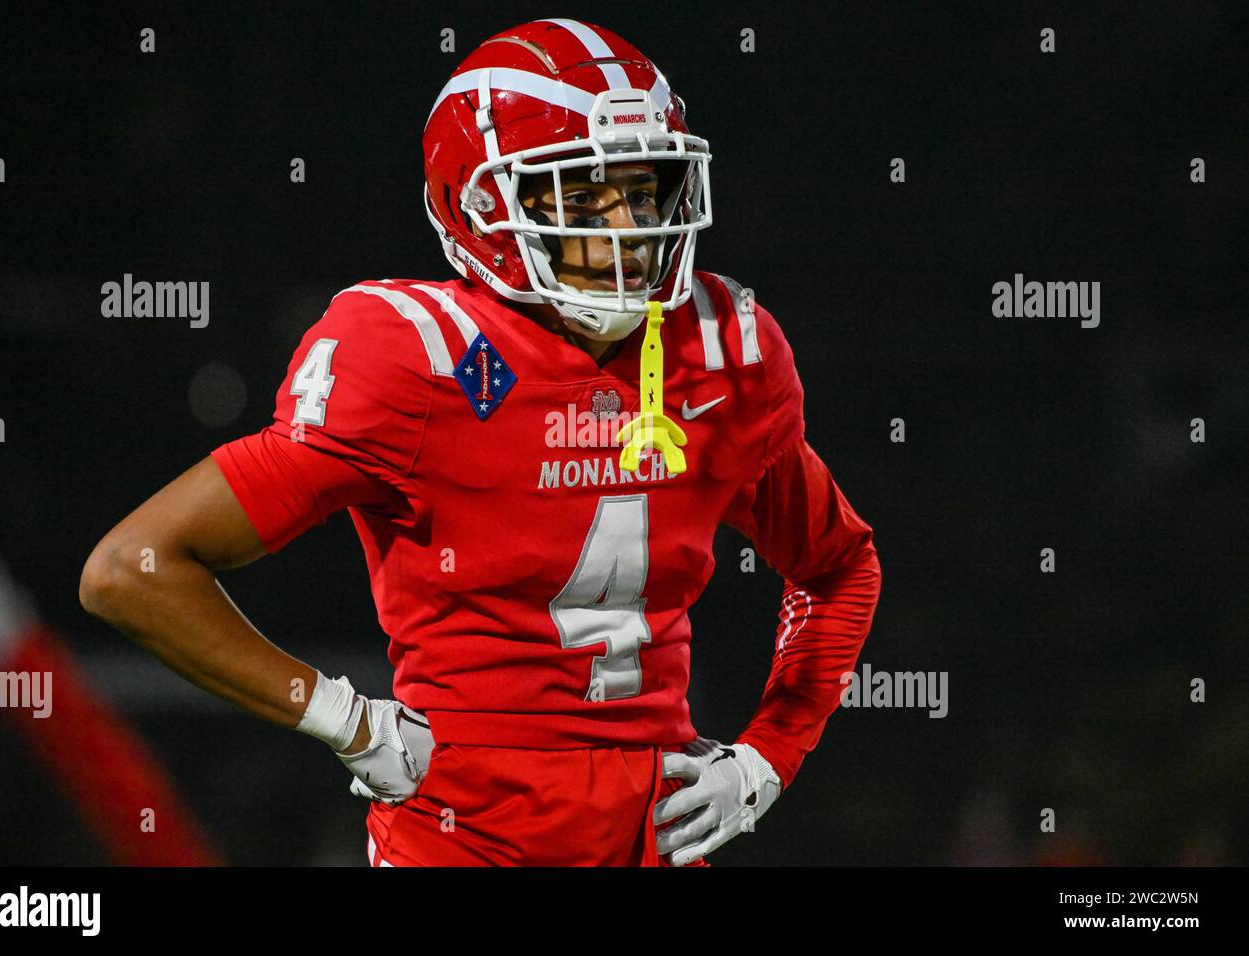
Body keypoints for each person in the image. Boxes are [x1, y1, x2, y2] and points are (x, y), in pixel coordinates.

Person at [80, 18, 881, 867]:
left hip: (655, 837)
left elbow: (838, 567)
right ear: (484, 210)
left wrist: (767, 757)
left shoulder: (718, 349)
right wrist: (342, 719)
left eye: (642, 193)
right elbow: (131, 570)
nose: (630, 230)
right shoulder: (417, 356)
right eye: (585, 198)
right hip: (462, 841)